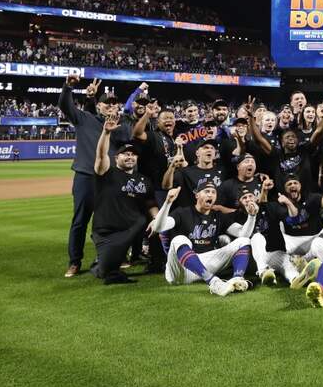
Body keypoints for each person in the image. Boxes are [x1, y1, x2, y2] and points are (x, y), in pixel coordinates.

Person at [59, 75, 131, 278]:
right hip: (85, 176)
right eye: (107, 104)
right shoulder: (84, 119)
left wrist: (114, 124)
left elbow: (125, 139)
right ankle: (74, 262)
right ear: (98, 106)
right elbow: (65, 106)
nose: (111, 107)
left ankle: (115, 256)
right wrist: (68, 87)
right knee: (80, 221)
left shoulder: (123, 124)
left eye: (114, 104)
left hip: (109, 178)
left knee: (112, 220)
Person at [147, 183, 254, 297]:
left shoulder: (218, 216)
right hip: (180, 270)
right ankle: (213, 282)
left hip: (205, 264)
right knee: (179, 239)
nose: (210, 195)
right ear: (197, 195)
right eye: (207, 191)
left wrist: (252, 216)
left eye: (213, 192)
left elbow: (243, 234)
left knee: (244, 241)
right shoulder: (182, 213)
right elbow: (158, 228)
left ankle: (237, 279)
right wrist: (168, 202)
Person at [90, 118, 156, 285]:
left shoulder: (143, 179)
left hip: (131, 229)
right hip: (107, 230)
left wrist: (156, 220)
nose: (130, 157)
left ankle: (149, 258)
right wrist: (106, 133)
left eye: (133, 154)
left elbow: (150, 203)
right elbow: (100, 156)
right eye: (125, 154)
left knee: (145, 220)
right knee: (106, 272)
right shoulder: (107, 173)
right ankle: (100, 263)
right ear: (116, 157)